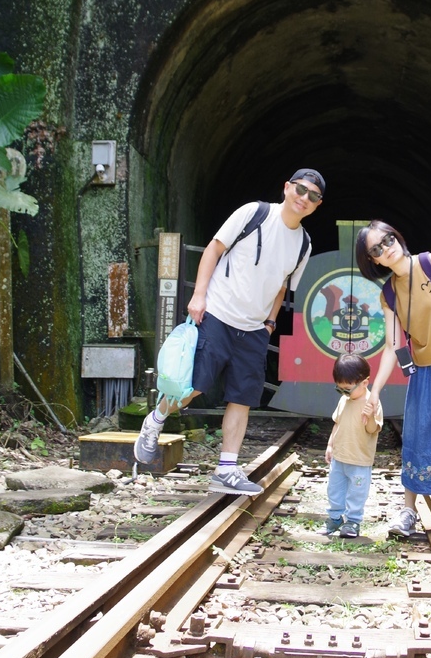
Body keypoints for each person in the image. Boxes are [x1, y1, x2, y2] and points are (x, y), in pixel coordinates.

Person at [134, 168, 325, 494]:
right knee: (192, 386)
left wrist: (269, 324)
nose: (304, 198)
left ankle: (227, 469)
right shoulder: (255, 213)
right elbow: (214, 248)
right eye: (300, 189)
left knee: (242, 398)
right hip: (219, 315)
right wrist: (199, 295)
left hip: (254, 329)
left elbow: (281, 285)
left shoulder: (304, 244)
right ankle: (155, 420)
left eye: (313, 196)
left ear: (318, 204)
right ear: (286, 187)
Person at [355, 221, 431, 538]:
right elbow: (393, 345)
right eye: (376, 249)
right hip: (424, 370)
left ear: (397, 237)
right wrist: (374, 392)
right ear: (373, 261)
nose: (386, 247)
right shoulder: (389, 293)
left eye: (387, 239)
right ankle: (408, 511)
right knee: (417, 436)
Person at [319, 353, 383, 539]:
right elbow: (337, 423)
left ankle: (353, 521)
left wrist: (370, 415)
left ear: (364, 382)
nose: (344, 393)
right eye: (340, 390)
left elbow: (373, 429)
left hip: (359, 460)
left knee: (357, 492)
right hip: (339, 456)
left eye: (347, 389)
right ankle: (335, 517)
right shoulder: (344, 400)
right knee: (334, 488)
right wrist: (330, 445)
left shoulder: (372, 402)